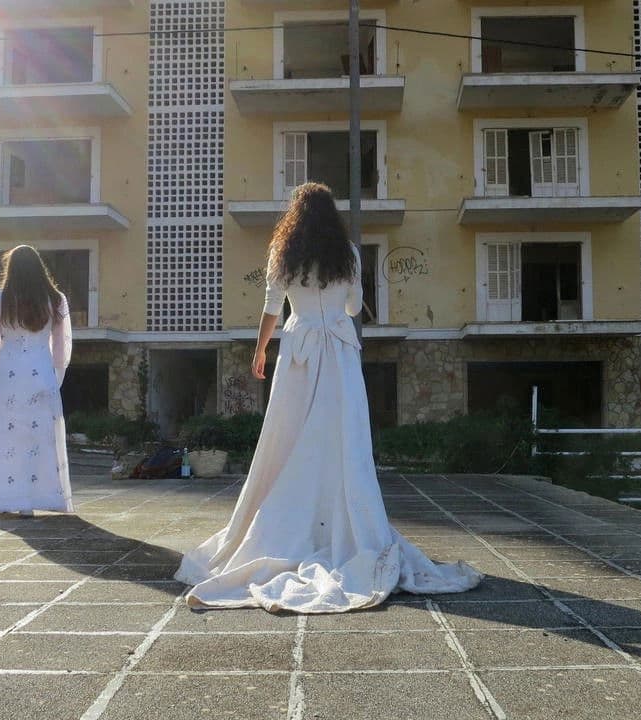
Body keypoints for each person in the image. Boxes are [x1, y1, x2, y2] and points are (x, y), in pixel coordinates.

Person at [175, 183, 482, 613]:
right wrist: (339, 299)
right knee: (342, 436)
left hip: (298, 351)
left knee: (290, 434)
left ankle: (287, 524)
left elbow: (272, 307)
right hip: (338, 350)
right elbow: (354, 307)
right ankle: (348, 526)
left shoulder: (283, 252)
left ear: (295, 216)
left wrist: (260, 349)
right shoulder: (349, 253)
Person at [0, 244, 74, 516]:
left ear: (10, 269)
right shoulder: (56, 300)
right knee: (38, 438)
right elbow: (61, 349)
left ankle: (4, 498)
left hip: (7, 375)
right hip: (41, 372)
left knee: (4, 437)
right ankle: (32, 500)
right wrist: (55, 381)